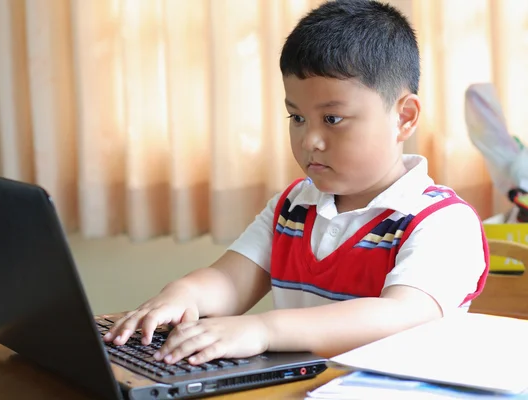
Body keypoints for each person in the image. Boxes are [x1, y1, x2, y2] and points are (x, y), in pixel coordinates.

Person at [104, 0, 489, 366]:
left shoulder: (443, 222)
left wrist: (264, 329)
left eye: (333, 119)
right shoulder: (293, 207)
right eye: (297, 118)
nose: (309, 141)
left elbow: (400, 316)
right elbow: (229, 280)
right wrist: (184, 293)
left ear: (404, 117)